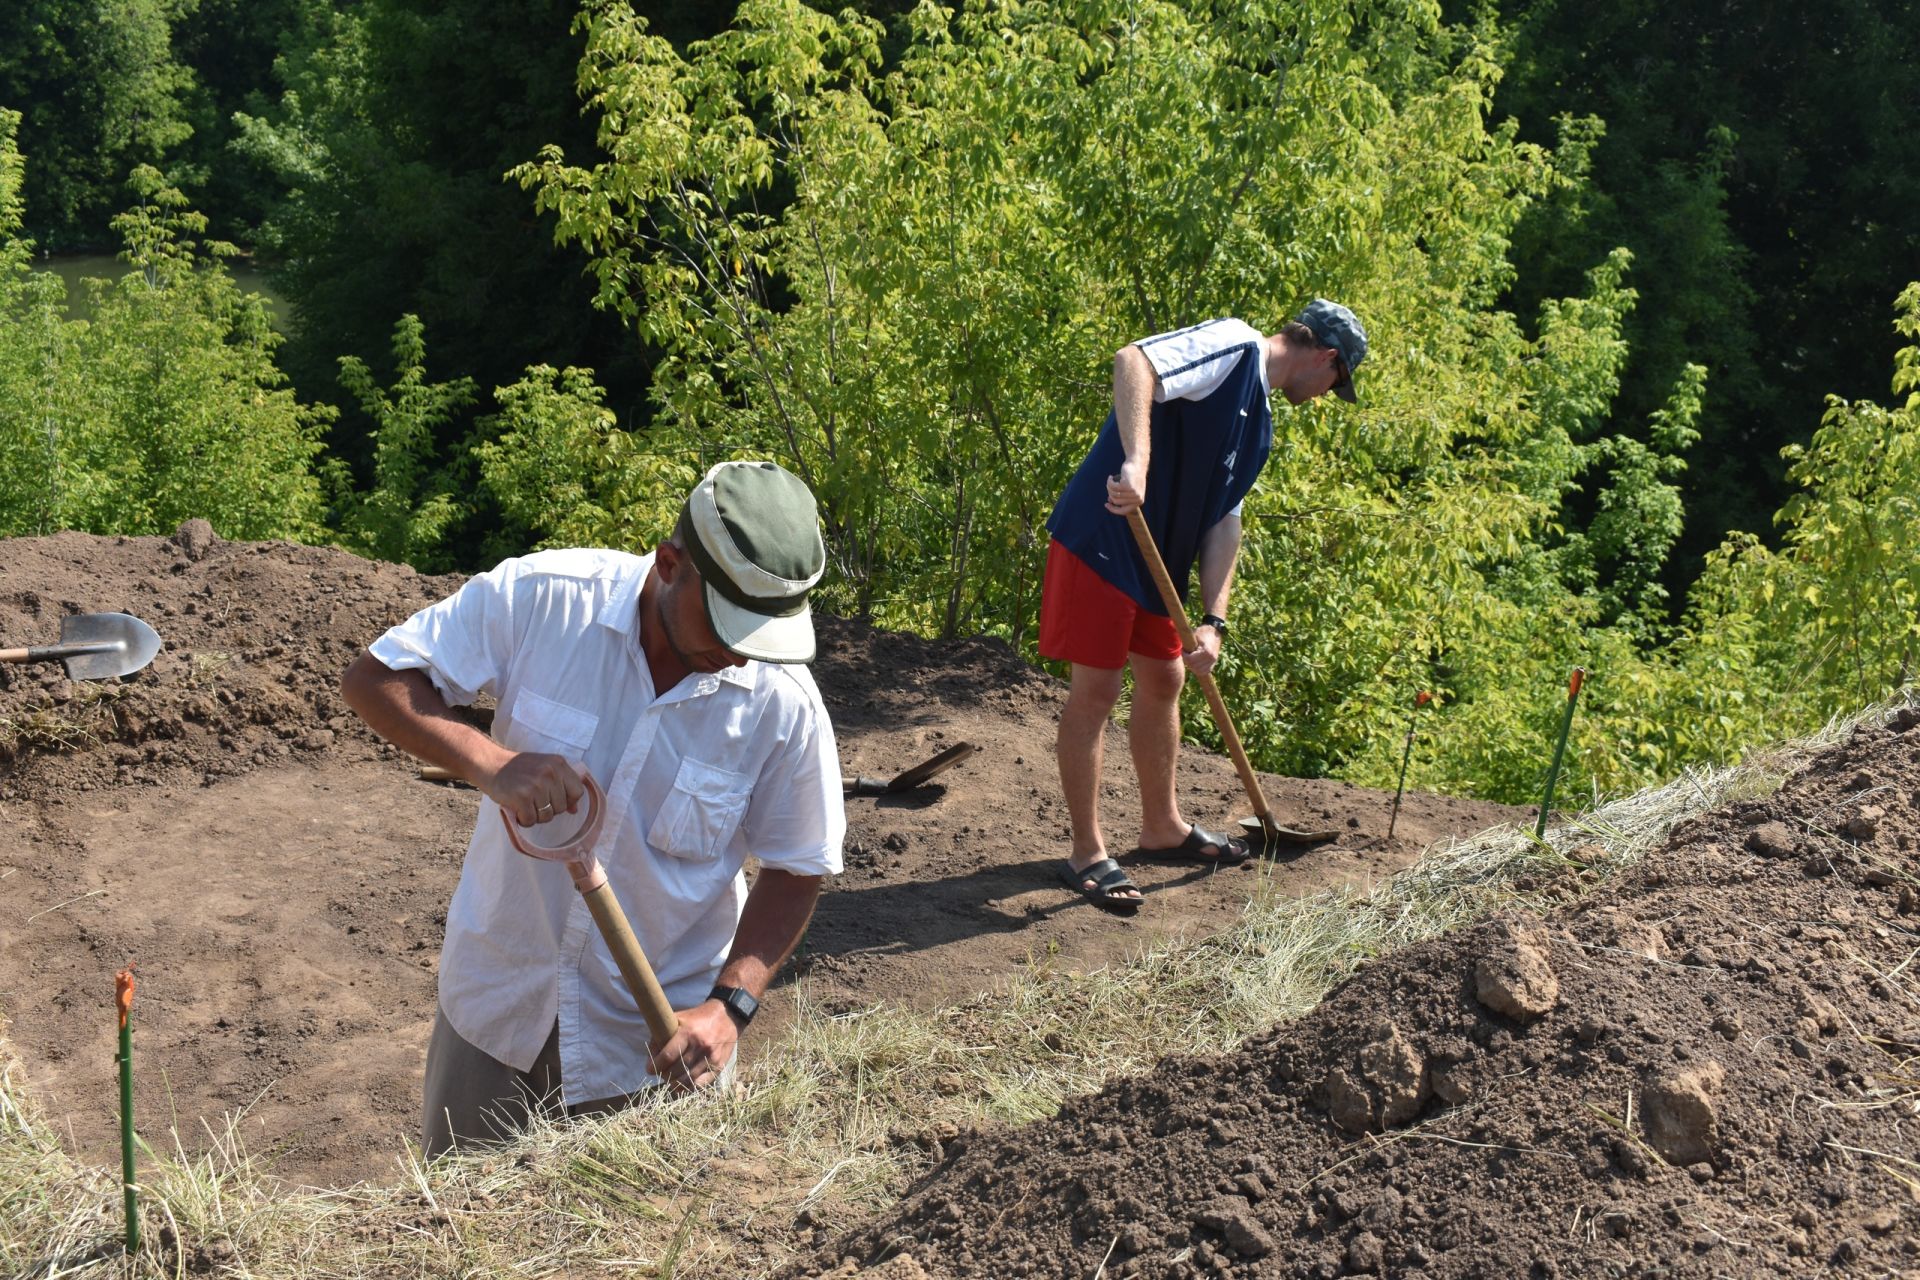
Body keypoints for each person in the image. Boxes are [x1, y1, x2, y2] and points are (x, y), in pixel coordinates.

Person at [340, 460, 845, 1157]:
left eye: (760, 634)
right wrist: (492, 763)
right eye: (727, 626)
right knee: (460, 1238)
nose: (738, 656)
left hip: (652, 1053)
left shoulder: (782, 703)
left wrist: (731, 1007)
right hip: (496, 1011)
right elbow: (374, 679)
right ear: (670, 564)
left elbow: (796, 866)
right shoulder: (543, 599)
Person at [1039, 301, 1368, 913]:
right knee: (1097, 692)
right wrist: (1136, 460)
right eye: (1337, 382)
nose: (1328, 394)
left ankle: (1161, 826)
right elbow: (1134, 362)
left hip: (1155, 562)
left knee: (1164, 679)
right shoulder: (1236, 345)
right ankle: (1086, 851)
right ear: (1326, 357)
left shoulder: (1261, 426)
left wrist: (1214, 621)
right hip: (1104, 534)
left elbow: (1224, 524)